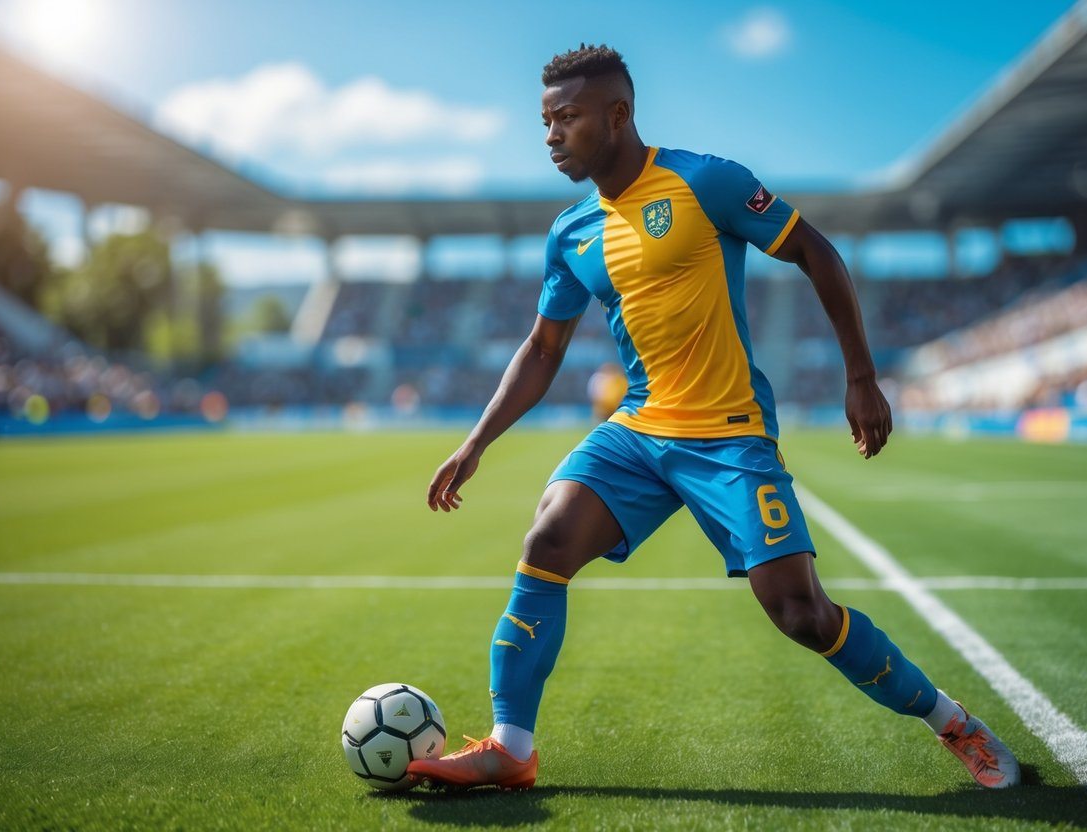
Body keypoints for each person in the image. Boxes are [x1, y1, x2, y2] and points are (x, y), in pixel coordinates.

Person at [407, 44, 1019, 792]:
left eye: (565, 118)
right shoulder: (571, 231)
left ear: (618, 114)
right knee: (548, 537)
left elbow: (817, 253)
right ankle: (511, 747)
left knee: (801, 614)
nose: (550, 136)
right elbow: (542, 347)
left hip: (728, 434)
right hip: (638, 431)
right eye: (545, 121)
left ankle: (951, 722)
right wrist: (476, 442)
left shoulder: (705, 181)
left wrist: (861, 377)